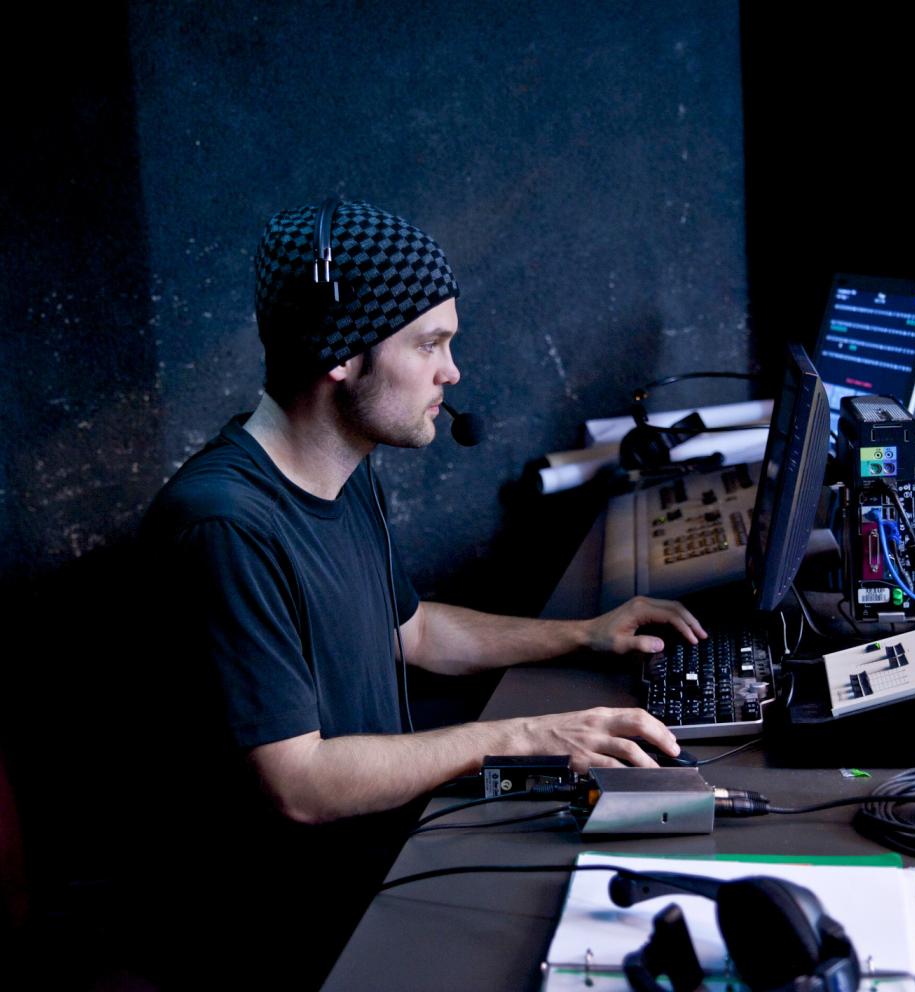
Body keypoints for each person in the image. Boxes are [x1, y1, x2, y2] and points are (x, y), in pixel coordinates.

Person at [135, 198, 705, 989]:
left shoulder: (340, 469)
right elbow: (299, 785)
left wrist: (585, 635)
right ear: (341, 355)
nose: (452, 372)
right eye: (430, 344)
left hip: (389, 859)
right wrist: (521, 736)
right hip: (298, 931)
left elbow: (412, 633)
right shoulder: (226, 528)